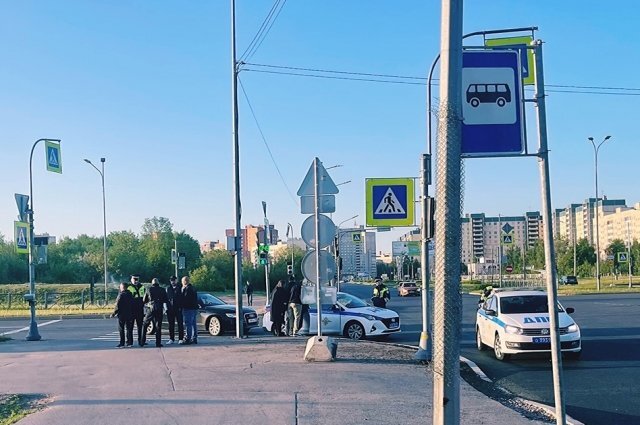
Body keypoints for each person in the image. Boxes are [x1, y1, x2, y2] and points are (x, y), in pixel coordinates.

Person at [141, 278, 168, 348]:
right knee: (158, 326)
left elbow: (144, 300)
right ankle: (158, 343)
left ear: (152, 283)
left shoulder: (149, 289)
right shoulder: (162, 290)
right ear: (158, 283)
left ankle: (142, 341)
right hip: (159, 308)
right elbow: (166, 299)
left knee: (145, 324)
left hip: (151, 308)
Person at [111, 282, 134, 348]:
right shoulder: (130, 294)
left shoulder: (121, 295)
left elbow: (117, 306)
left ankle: (122, 343)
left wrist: (114, 313)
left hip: (122, 314)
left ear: (122, 287)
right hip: (129, 314)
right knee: (129, 328)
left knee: (121, 329)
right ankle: (130, 342)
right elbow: (133, 304)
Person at [127, 275, 146, 346]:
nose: (136, 281)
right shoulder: (128, 287)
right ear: (131, 279)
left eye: (137, 279)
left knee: (140, 326)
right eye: (134, 279)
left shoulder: (142, 287)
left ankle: (141, 341)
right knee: (130, 326)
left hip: (139, 309)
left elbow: (145, 297)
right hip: (131, 309)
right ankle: (129, 342)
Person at [165, 275, 184, 345]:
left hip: (178, 308)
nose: (173, 282)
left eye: (174, 280)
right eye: (171, 280)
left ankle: (181, 339)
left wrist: (181, 307)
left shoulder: (180, 287)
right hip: (170, 309)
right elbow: (166, 299)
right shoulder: (168, 288)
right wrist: (166, 308)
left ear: (176, 280)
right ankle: (171, 338)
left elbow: (183, 298)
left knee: (180, 324)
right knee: (171, 325)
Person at [181, 276, 199, 345]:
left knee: (188, 324)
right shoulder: (193, 288)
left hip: (188, 308)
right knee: (193, 324)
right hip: (194, 308)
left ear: (185, 281)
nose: (182, 283)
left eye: (182, 282)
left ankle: (188, 338)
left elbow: (185, 299)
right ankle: (194, 338)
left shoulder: (187, 289)